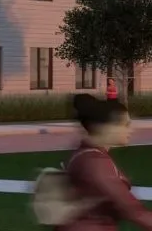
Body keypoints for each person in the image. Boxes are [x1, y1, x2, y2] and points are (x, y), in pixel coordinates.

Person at [57, 94, 152, 231]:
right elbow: (132, 210)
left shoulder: (89, 155)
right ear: (105, 127)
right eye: (125, 125)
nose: (130, 129)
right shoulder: (95, 163)